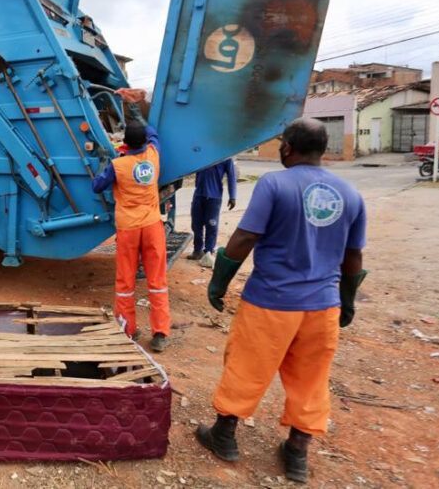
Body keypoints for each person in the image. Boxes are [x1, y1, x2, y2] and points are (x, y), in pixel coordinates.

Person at [194, 118, 367, 484]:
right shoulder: (351, 194)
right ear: (323, 149)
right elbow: (354, 258)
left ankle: (224, 436)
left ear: (287, 147)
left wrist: (219, 281)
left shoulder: (274, 183)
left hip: (271, 301)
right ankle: (297, 453)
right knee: (312, 378)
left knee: (246, 364)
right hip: (322, 306)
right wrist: (347, 301)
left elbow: (244, 238)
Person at [92, 120, 170, 352]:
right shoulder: (153, 155)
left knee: (125, 281)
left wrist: (104, 164)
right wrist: (137, 110)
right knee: (157, 281)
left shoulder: (118, 165)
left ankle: (128, 329)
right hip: (152, 226)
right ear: (145, 142)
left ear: (124, 143)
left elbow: (97, 187)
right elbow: (154, 134)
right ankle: (160, 333)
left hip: (129, 229)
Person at [187, 159, 237, 267]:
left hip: (214, 198)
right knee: (196, 224)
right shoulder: (203, 153)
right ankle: (197, 250)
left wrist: (232, 196)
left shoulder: (226, 156)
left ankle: (208, 252)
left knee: (211, 225)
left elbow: (231, 177)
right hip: (199, 195)